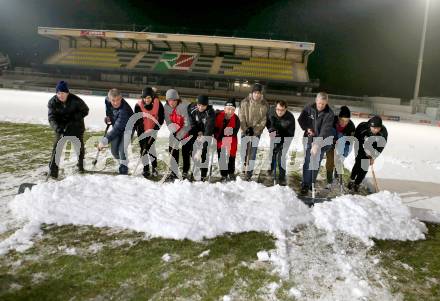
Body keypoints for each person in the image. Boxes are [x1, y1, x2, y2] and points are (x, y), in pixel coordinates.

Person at [48, 80, 89, 178]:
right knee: (56, 149)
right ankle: (53, 171)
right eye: (58, 93)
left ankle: (80, 167)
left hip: (76, 127)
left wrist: (74, 118)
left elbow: (85, 110)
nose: (60, 95)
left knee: (79, 148)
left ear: (67, 93)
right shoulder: (53, 102)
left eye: (62, 93)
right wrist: (57, 128)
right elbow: (51, 118)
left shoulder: (76, 100)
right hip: (61, 128)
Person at [297, 92, 335, 195]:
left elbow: (325, 130)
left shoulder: (329, 114)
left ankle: (311, 184)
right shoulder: (309, 107)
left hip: (322, 140)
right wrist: (307, 128)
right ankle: (305, 184)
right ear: (316, 100)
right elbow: (301, 119)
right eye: (319, 103)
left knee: (316, 162)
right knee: (308, 160)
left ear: (326, 102)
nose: (321, 106)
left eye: (323, 104)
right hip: (309, 138)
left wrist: (317, 144)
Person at [98, 88, 134, 175]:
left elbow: (117, 129)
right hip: (117, 126)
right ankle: (123, 162)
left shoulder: (123, 110)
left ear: (121, 98)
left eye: (118, 100)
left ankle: (124, 169)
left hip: (128, 129)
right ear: (109, 99)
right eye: (113, 100)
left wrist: (104, 141)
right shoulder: (107, 101)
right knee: (114, 151)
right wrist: (108, 118)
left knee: (122, 150)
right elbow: (109, 111)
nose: (116, 102)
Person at [348, 115, 388, 192]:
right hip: (360, 144)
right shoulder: (363, 127)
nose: (376, 130)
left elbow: (380, 147)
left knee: (365, 167)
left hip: (373, 147)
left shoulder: (383, 132)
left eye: (378, 128)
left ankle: (357, 183)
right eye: (374, 128)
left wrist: (373, 157)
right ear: (370, 126)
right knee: (358, 163)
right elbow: (356, 139)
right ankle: (352, 180)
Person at [239, 83, 269, 180]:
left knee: (252, 153)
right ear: (251, 93)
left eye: (258, 93)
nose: (257, 95)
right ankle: (243, 170)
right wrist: (246, 129)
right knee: (244, 152)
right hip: (245, 130)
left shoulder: (264, 104)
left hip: (256, 133)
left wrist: (255, 130)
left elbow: (264, 120)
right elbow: (241, 117)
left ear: (261, 94)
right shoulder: (244, 102)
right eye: (255, 93)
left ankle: (249, 173)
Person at [134, 86, 164, 178]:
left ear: (152, 97)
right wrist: (143, 135)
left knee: (151, 148)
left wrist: (155, 129)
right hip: (141, 130)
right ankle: (146, 169)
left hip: (153, 130)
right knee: (143, 149)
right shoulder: (138, 105)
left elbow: (161, 118)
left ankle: (154, 168)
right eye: (145, 98)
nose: (147, 100)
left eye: (149, 98)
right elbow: (137, 121)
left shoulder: (158, 104)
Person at [163, 88, 191, 180]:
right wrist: (173, 130)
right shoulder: (166, 107)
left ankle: (185, 172)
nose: (171, 102)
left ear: (177, 100)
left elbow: (187, 125)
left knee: (185, 152)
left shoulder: (183, 107)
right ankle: (173, 171)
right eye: (169, 100)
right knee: (172, 151)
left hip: (186, 132)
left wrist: (179, 136)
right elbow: (168, 121)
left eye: (174, 100)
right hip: (175, 131)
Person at [325, 105, 355, 189]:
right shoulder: (331, 121)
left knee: (339, 160)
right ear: (338, 117)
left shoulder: (351, 127)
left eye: (347, 121)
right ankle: (329, 181)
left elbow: (349, 143)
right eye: (342, 120)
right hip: (330, 141)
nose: (344, 123)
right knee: (330, 160)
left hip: (343, 143)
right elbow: (325, 133)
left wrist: (342, 156)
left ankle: (337, 174)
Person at [266, 100, 295, 186]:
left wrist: (281, 144)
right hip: (274, 134)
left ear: (286, 109)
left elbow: (290, 134)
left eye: (282, 110)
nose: (279, 112)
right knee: (272, 152)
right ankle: (271, 168)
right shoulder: (271, 111)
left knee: (281, 157)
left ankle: (282, 177)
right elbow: (267, 122)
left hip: (286, 138)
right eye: (278, 109)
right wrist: (271, 130)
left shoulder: (290, 118)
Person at [187, 95, 216, 181]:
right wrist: (197, 132)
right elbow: (192, 122)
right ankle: (195, 170)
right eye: (199, 105)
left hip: (207, 133)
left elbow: (209, 129)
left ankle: (203, 175)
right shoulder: (192, 108)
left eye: (203, 106)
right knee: (193, 151)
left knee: (204, 153)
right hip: (196, 131)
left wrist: (203, 138)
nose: (200, 107)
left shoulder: (210, 113)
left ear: (206, 105)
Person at [214, 97, 240, 182]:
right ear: (224, 109)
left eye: (232, 109)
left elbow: (234, 131)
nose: (230, 111)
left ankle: (231, 172)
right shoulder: (218, 116)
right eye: (228, 109)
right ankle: (224, 174)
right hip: (219, 138)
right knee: (221, 155)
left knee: (232, 155)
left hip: (231, 138)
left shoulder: (236, 119)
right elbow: (214, 128)